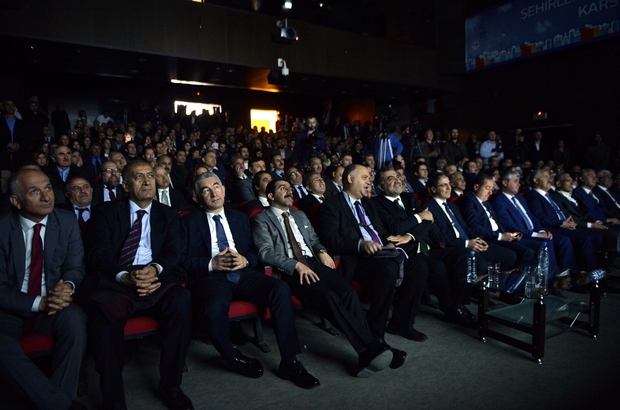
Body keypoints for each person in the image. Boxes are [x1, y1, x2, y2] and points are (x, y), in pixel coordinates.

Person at [179, 172, 320, 388]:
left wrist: (245, 260)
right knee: (213, 307)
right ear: (197, 198)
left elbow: (254, 253)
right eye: (206, 190)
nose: (213, 193)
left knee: (280, 289)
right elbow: (180, 259)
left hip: (243, 274)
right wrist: (211, 264)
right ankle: (232, 357)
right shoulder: (187, 222)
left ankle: (290, 361)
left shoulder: (240, 218)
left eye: (216, 186)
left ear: (223, 190)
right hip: (212, 277)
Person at [253, 178, 397, 377]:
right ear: (270, 196)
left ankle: (368, 350)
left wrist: (321, 251)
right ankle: (372, 346)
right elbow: (265, 252)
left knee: (347, 292)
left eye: (290, 188)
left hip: (313, 263)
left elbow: (314, 241)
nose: (289, 190)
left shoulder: (299, 214)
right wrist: (295, 265)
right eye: (282, 188)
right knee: (327, 296)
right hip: (289, 270)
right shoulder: (261, 219)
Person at [80, 161, 194, 410]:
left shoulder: (167, 213)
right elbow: (98, 254)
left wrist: (154, 270)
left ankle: (171, 387)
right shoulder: (105, 212)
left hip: (155, 278)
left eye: (150, 175)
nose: (146, 181)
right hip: (117, 279)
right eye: (138, 176)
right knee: (105, 313)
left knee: (181, 300)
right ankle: (114, 401)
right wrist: (123, 276)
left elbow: (174, 252)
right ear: (125, 185)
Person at [0, 169, 87, 410]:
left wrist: (67, 287)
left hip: (54, 304)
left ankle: (59, 399)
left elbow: (75, 268)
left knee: (75, 319)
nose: (46, 197)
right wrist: (40, 302)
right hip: (10, 308)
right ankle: (60, 405)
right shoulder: (3, 229)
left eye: (48, 188)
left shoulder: (66, 221)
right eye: (34, 192)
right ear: (16, 201)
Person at [315, 164, 410, 363]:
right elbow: (330, 240)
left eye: (369, 177)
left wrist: (389, 242)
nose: (369, 181)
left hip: (380, 252)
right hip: (355, 259)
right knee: (388, 268)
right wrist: (360, 244)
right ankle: (376, 336)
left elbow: (380, 231)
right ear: (350, 179)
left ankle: (402, 324)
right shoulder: (331, 206)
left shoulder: (368, 204)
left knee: (419, 264)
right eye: (365, 177)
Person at [373, 167, 477, 329]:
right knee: (429, 267)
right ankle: (450, 309)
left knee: (455, 260)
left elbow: (428, 221)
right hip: (404, 251)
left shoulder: (409, 197)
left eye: (397, 176)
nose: (397, 180)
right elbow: (395, 228)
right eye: (390, 178)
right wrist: (418, 217)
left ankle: (455, 306)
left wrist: (410, 235)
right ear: (380, 187)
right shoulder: (377, 204)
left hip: (421, 246)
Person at [424, 173, 517, 315]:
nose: (449, 187)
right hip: (448, 248)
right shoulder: (428, 208)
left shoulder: (452, 206)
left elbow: (466, 228)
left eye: (449, 184)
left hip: (467, 243)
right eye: (444, 185)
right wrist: (467, 243)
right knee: (477, 263)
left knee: (508, 256)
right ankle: (458, 305)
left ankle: (478, 288)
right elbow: (439, 238)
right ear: (433, 189)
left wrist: (478, 240)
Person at [525, 169, 603, 273]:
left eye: (550, 177)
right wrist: (561, 223)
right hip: (552, 228)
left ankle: (587, 269)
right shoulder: (532, 196)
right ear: (535, 180)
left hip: (563, 226)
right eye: (546, 177)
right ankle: (582, 272)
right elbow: (539, 217)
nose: (550, 180)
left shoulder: (549, 195)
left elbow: (560, 212)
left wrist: (568, 221)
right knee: (584, 238)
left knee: (596, 236)